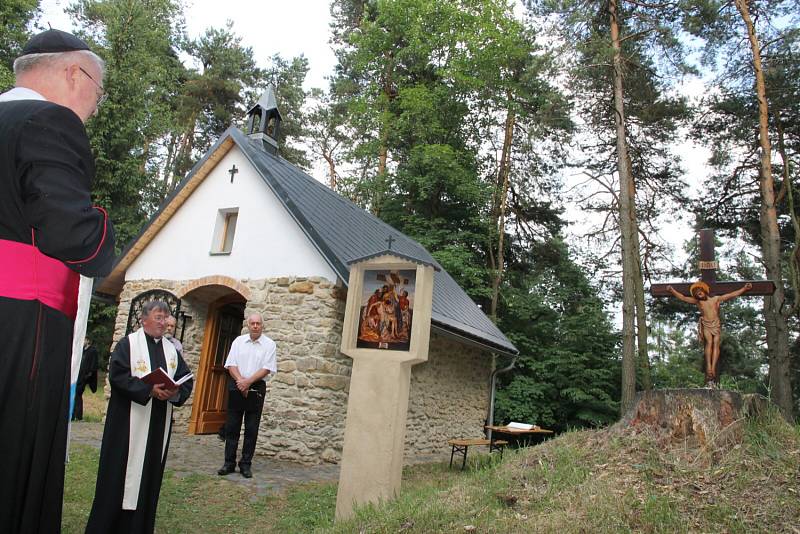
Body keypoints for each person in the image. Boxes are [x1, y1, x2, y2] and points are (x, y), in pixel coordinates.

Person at [0, 29, 115, 533]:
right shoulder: (49, 121)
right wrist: (103, 233)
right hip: (21, 324)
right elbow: (77, 237)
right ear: (74, 74)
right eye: (99, 90)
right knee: (15, 465)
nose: (96, 104)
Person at [85, 301, 193, 534]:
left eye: (166, 318)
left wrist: (175, 392)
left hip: (156, 425)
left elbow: (186, 379)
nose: (163, 322)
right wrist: (149, 390)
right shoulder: (128, 345)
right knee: (118, 476)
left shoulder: (172, 350)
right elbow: (117, 375)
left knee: (148, 478)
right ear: (143, 319)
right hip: (127, 425)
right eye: (158, 317)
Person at [218, 312, 277, 479]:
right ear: (248, 325)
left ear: (262, 325)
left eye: (258, 323)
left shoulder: (269, 344)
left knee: (251, 428)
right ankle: (228, 463)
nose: (256, 326)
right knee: (232, 427)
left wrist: (248, 382)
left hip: (256, 387)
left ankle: (245, 464)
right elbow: (231, 364)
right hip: (237, 384)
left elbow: (267, 368)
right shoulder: (238, 341)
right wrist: (240, 381)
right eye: (253, 323)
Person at [666, 281, 752, 385]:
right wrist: (672, 290)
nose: (699, 294)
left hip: (715, 324)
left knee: (716, 344)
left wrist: (744, 289)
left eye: (700, 292)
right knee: (709, 343)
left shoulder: (715, 299)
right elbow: (683, 298)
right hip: (706, 324)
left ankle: (713, 367)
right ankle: (709, 367)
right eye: (697, 293)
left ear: (704, 291)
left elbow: (730, 295)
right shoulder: (698, 302)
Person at [72, 337, 100, 421]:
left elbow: (94, 365)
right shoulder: (83, 351)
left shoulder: (92, 351)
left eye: (84, 340)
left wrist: (88, 375)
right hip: (79, 376)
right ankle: (73, 415)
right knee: (75, 394)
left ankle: (78, 416)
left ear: (88, 341)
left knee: (78, 394)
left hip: (84, 377)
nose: (82, 342)